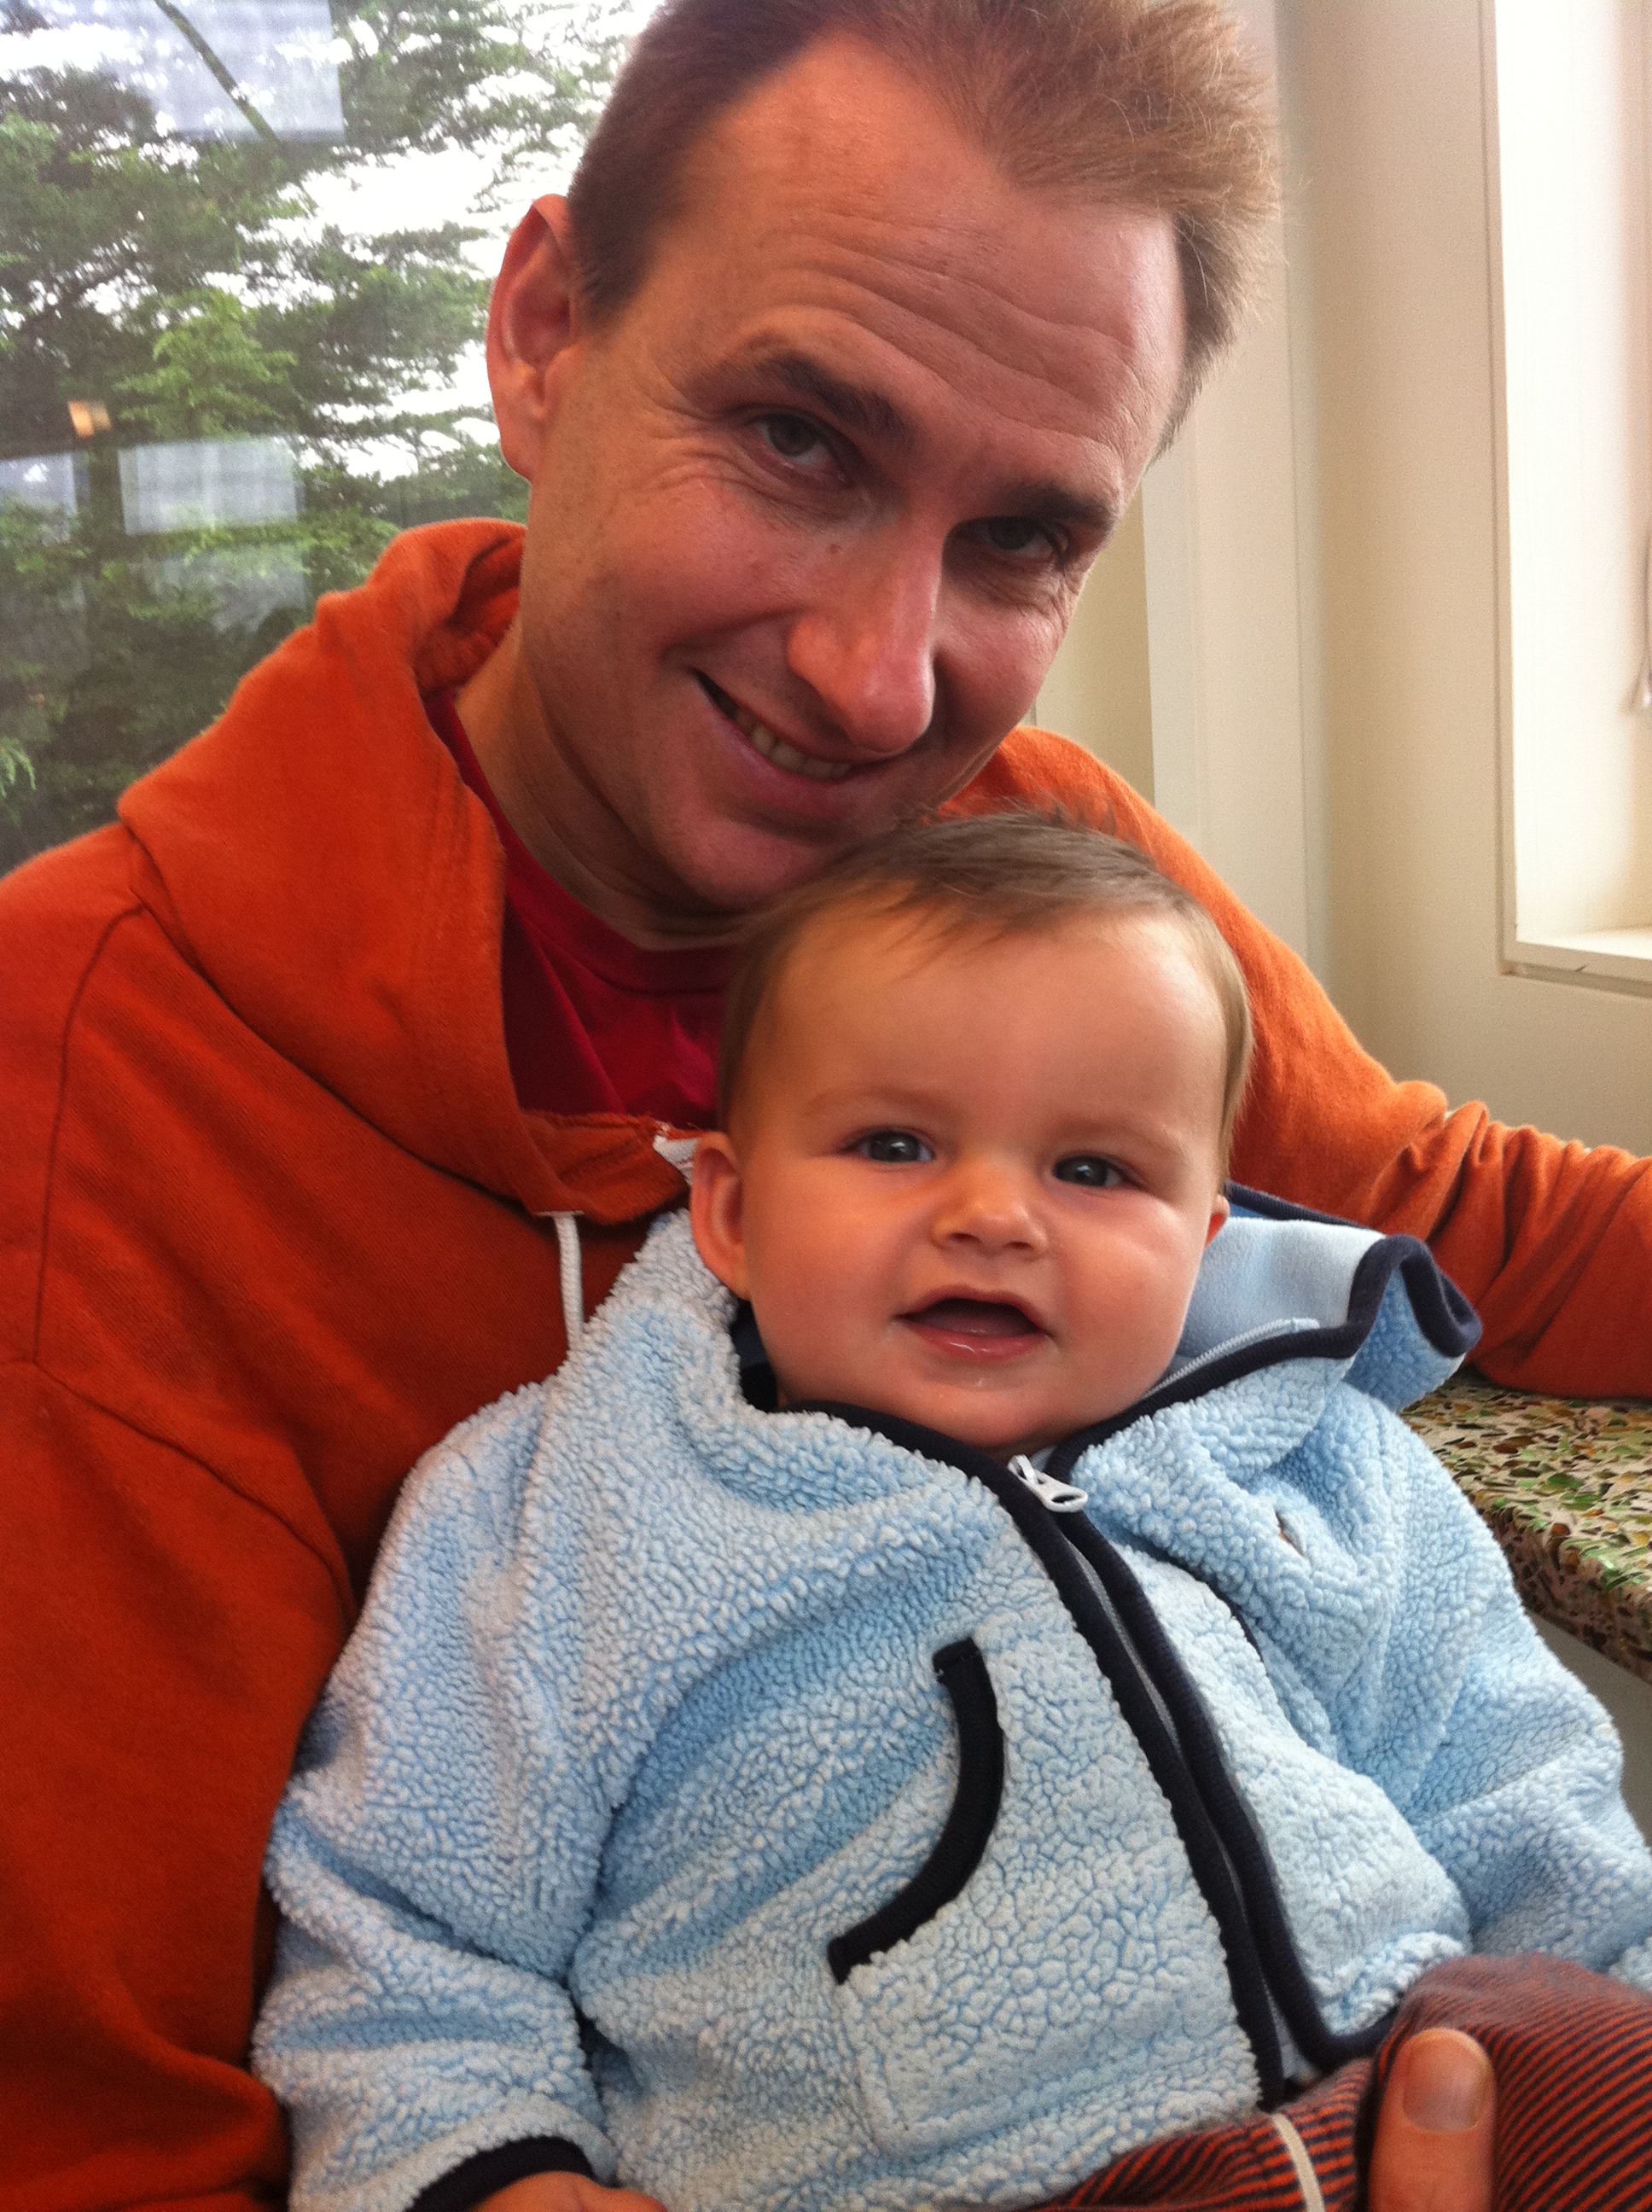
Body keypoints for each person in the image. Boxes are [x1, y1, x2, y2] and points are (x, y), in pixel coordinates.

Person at [3, 0, 1646, 2203]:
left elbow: (1454, 1207)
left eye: (1022, 541)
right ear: (543, 333)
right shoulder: (79, 1093)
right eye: (795, 439)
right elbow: (106, 2132)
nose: (879, 683)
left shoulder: (1032, 867)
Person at [251, 816, 1652, 2212]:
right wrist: (492, 2176)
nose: (992, 1216)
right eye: (895, 1143)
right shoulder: (567, 1512)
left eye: (1093, 1170)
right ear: (731, 1210)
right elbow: (403, 1929)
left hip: (1434, 2095)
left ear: (1200, 1242)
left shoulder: (1322, 1462)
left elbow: (1517, 1787)